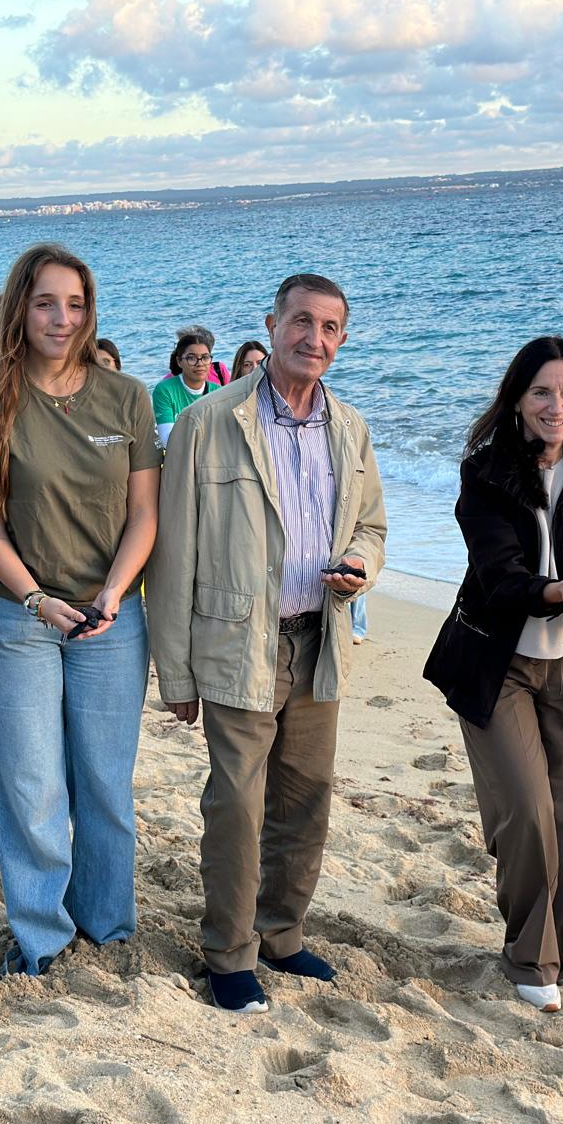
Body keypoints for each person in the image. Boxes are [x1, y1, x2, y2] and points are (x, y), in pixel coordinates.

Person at [149, 273, 387, 1013]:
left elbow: (371, 528)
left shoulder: (349, 427)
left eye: (330, 328)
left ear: (341, 340)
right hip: (235, 642)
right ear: (272, 323)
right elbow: (174, 549)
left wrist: (360, 566)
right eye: (301, 322)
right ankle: (228, 951)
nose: (314, 339)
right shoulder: (209, 421)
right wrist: (176, 672)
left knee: (304, 801)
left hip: (320, 639)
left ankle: (282, 935)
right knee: (236, 806)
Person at [0, 243, 160, 978]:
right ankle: (41, 937)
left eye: (74, 304)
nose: (61, 318)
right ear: (19, 307)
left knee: (105, 785)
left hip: (110, 619)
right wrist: (39, 599)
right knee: (32, 787)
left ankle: (107, 933)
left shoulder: (126, 397)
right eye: (46, 302)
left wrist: (110, 594)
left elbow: (144, 513)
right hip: (15, 618)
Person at [423, 336, 563, 1013]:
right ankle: (527, 958)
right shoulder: (484, 472)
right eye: (542, 391)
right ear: (517, 398)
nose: (557, 405)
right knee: (530, 817)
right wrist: (557, 592)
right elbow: (498, 574)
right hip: (495, 660)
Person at [150, 331, 219, 448]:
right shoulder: (165, 390)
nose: (200, 363)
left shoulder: (217, 391)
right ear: (179, 361)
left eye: (205, 357)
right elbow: (168, 441)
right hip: (182, 460)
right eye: (191, 358)